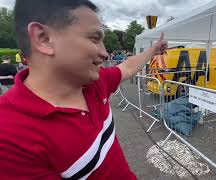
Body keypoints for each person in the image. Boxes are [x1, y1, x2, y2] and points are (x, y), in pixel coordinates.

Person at [0, 1, 167, 179]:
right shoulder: (9, 136)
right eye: (94, 38)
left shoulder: (93, 82)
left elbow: (126, 68)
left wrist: (153, 50)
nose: (104, 53)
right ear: (43, 38)